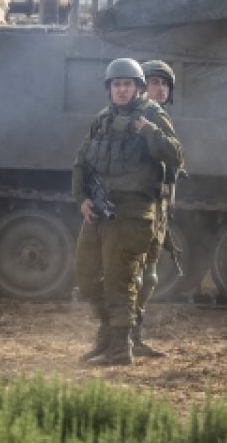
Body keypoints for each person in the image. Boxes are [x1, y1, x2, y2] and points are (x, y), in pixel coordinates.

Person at [72, 58, 183, 366]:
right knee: (86, 276)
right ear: (110, 89)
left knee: (121, 281)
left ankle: (121, 349)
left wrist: (150, 133)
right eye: (116, 85)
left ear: (137, 88)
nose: (122, 90)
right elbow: (82, 161)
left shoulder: (152, 115)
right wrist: (81, 197)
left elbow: (176, 154)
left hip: (132, 211)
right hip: (99, 209)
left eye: (127, 84)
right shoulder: (103, 119)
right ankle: (107, 336)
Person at [129, 59, 183, 358]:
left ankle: (134, 337)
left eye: (164, 84)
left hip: (157, 207)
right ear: (142, 86)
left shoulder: (159, 119)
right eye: (153, 82)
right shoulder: (136, 119)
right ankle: (120, 337)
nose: (159, 88)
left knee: (148, 277)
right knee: (134, 276)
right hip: (138, 209)